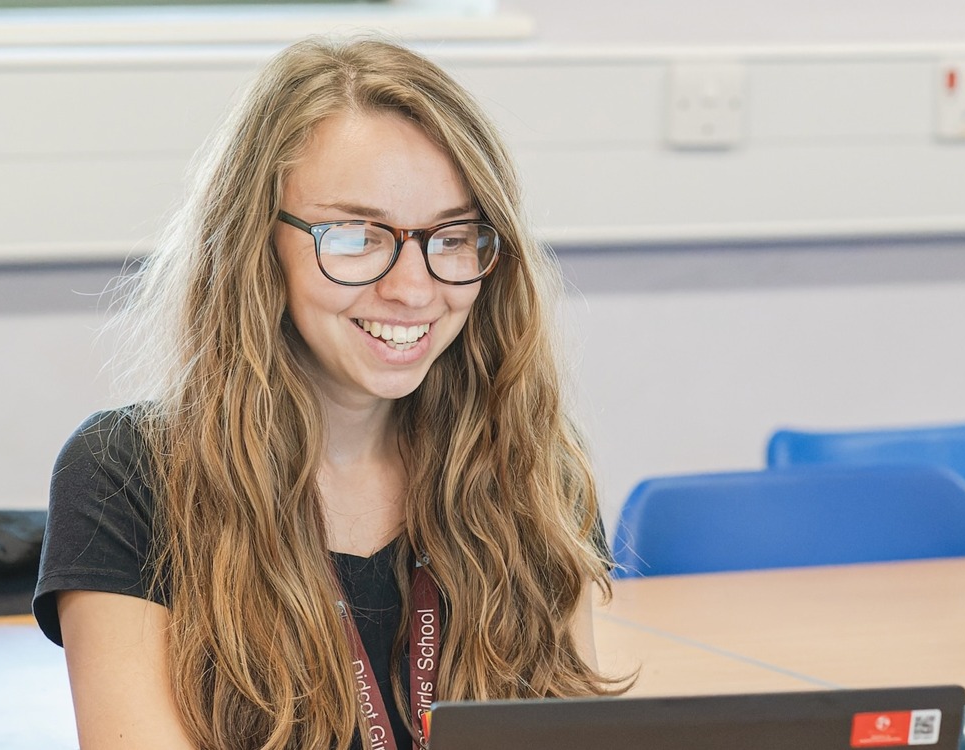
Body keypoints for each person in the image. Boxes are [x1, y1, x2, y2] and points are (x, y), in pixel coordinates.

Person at [33, 37, 621, 750]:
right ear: (256, 244)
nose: (413, 288)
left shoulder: (533, 466)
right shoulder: (128, 473)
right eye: (355, 236)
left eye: (453, 236)